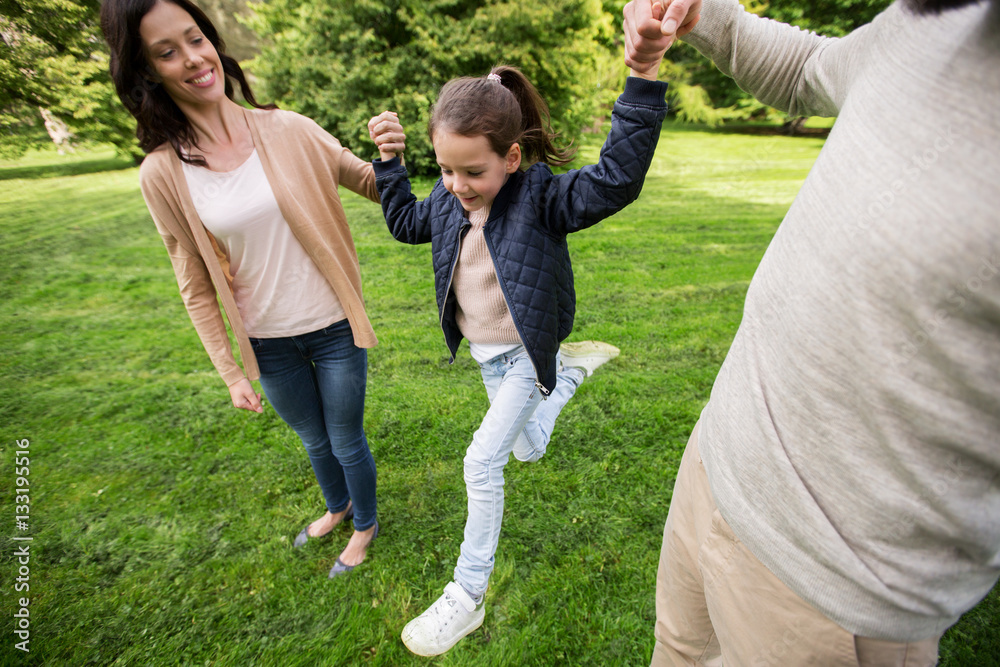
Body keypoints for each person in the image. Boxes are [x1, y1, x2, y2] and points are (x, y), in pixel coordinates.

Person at [623, 0, 1000, 664]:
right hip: (716, 463)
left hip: (834, 588)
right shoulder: (939, 20)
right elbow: (810, 68)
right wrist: (709, 15)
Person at [366, 55, 670, 655]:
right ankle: (571, 374)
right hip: (489, 359)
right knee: (528, 449)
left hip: (528, 352)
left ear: (510, 157)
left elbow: (616, 179)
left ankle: (466, 595)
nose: (457, 185)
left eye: (472, 171)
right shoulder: (448, 202)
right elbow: (403, 222)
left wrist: (641, 81)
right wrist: (391, 163)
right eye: (445, 169)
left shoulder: (541, 197)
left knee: (482, 463)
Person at [100, 0, 381, 577]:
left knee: (345, 440)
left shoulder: (288, 128)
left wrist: (401, 159)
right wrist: (231, 372)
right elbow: (193, 282)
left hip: (332, 324)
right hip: (267, 342)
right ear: (148, 70)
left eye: (195, 38)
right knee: (314, 440)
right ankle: (338, 507)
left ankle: (365, 525)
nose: (192, 59)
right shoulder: (162, 173)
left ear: (212, 41)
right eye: (167, 52)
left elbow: (369, 182)